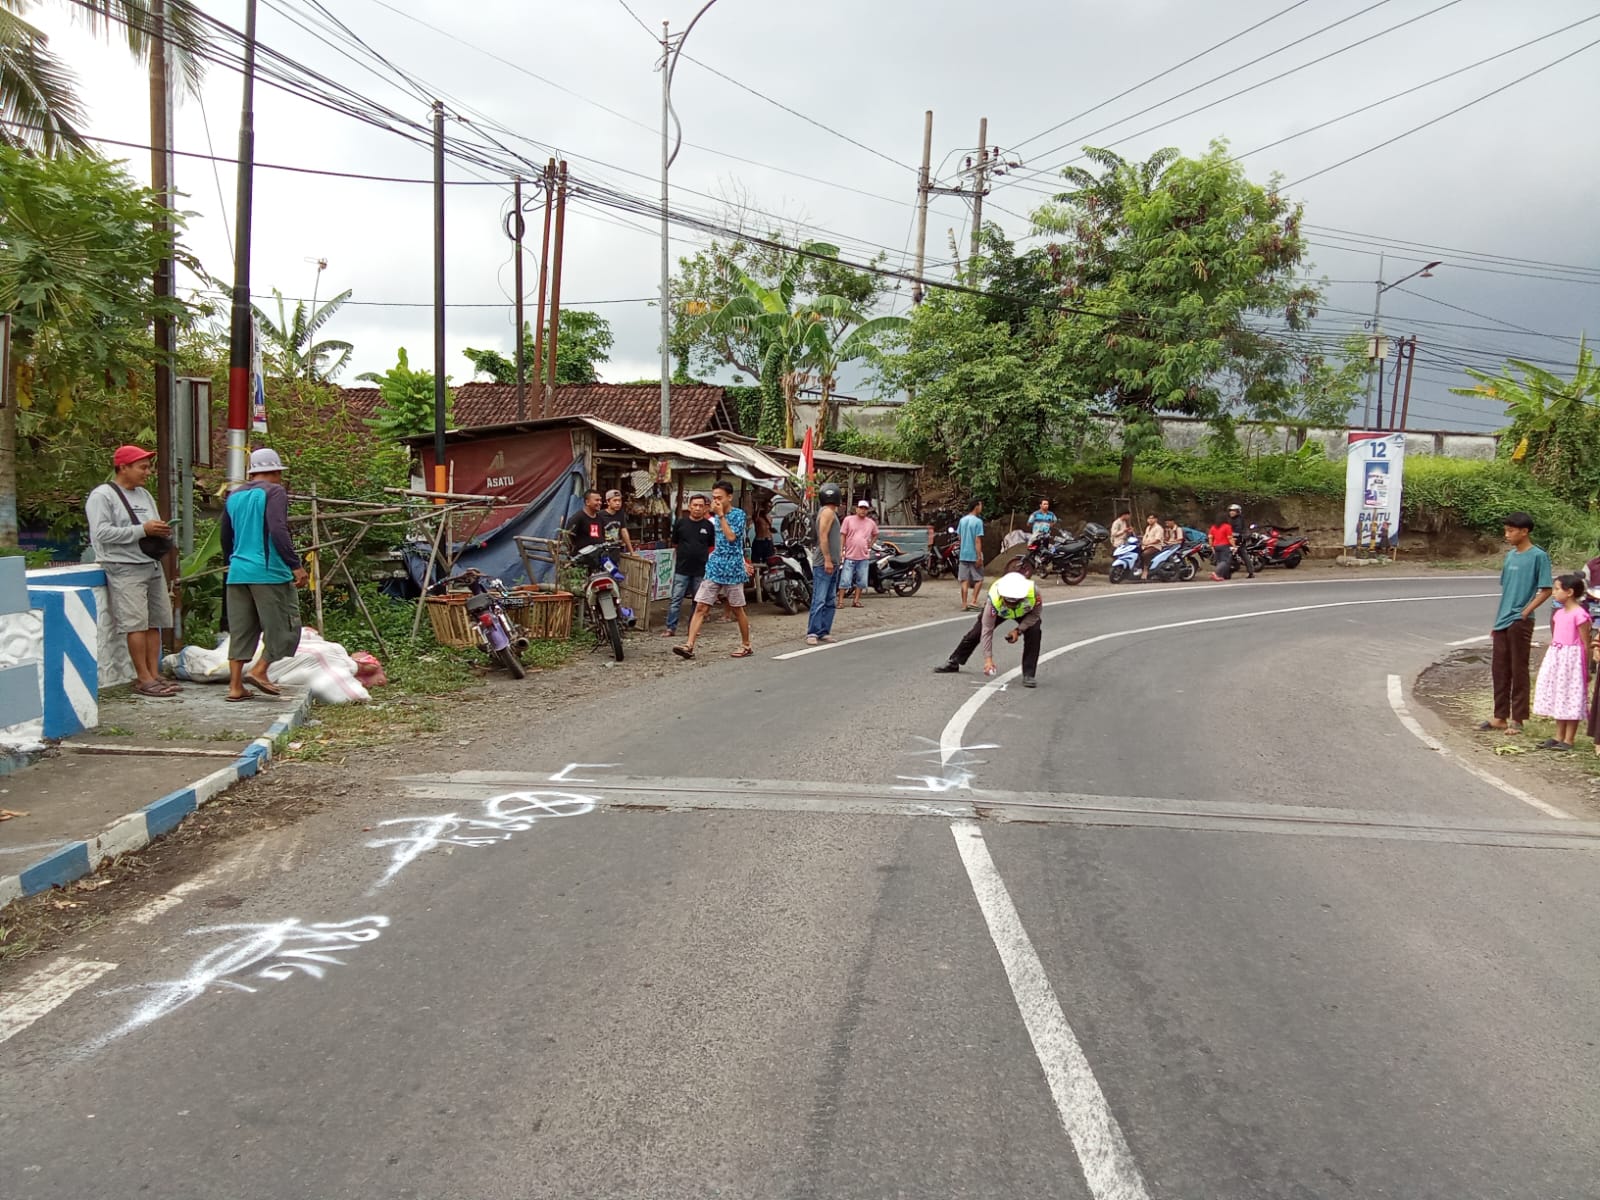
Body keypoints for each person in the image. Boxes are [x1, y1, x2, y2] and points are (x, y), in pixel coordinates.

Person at [85, 445, 178, 698]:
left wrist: (159, 531)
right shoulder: (103, 496)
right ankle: (143, 677)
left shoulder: (145, 495)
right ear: (123, 467)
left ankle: (155, 672)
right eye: (142, 467)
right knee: (135, 623)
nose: (147, 472)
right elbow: (101, 533)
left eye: (148, 467)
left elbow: (151, 525)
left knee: (155, 621)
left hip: (150, 563)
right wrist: (142, 530)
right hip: (124, 566)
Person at [221, 449, 307, 703]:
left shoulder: (234, 495)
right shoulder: (275, 492)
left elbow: (226, 536)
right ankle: (260, 671)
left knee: (242, 630)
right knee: (285, 626)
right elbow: (278, 530)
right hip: (269, 572)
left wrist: (232, 563)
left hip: (238, 573)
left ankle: (235, 687)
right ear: (277, 472)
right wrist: (295, 565)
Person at [1479, 511, 1553, 735]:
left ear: (1524, 531)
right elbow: (1507, 591)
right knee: (1499, 669)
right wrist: (1497, 621)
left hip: (1521, 621)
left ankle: (1518, 719)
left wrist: (1526, 611)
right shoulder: (1510, 556)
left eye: (1511, 530)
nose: (1507, 534)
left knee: (1518, 668)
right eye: (1506, 530)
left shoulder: (1538, 556)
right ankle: (1499, 716)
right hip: (1502, 620)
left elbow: (1546, 589)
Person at [673, 480, 753, 660]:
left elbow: (732, 538)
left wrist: (722, 516)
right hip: (715, 566)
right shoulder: (712, 518)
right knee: (701, 605)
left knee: (737, 608)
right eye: (714, 497)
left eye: (720, 498)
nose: (716, 501)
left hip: (732, 567)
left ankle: (746, 644)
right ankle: (689, 645)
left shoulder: (738, 515)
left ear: (729, 497)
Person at [933, 571, 1042, 688]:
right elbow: (987, 630)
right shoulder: (994, 599)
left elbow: (1035, 616)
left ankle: (1029, 674)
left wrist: (1018, 630)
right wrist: (988, 660)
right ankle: (954, 661)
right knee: (977, 632)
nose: (1010, 605)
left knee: (1034, 631)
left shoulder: (1034, 593)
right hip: (998, 610)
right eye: (1008, 601)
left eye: (1014, 602)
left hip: (1025, 612)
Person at [1533, 573, 1592, 751]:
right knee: (1559, 695)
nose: (1554, 592)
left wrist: (1586, 668)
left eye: (1557, 589)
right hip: (1557, 657)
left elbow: (1585, 643)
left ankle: (1569, 739)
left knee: (1571, 696)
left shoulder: (1580, 615)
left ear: (1569, 592)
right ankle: (1558, 736)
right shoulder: (1559, 614)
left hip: (1572, 660)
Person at [661, 493, 715, 638]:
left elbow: (710, 545)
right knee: (676, 599)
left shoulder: (709, 526)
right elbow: (675, 542)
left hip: (700, 569)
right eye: (695, 505)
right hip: (682, 569)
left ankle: (693, 628)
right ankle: (670, 628)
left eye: (700, 506)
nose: (697, 508)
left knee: (697, 601)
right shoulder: (680, 523)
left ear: (705, 508)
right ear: (689, 507)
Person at [805, 483, 843, 646]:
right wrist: (827, 558)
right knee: (820, 599)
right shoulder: (827, 512)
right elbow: (823, 536)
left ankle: (823, 631)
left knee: (830, 599)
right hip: (824, 562)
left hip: (833, 562)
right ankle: (813, 632)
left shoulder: (829, 512)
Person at [838, 499, 878, 610]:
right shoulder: (848, 520)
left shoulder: (870, 523)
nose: (863, 511)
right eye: (861, 508)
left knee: (861, 581)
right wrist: (841, 550)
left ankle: (856, 600)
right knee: (845, 580)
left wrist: (870, 544)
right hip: (850, 555)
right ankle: (840, 601)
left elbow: (876, 534)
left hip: (863, 557)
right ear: (857, 509)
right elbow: (843, 535)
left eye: (865, 509)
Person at [957, 499, 986, 611]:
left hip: (963, 554)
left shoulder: (962, 520)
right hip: (973, 554)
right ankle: (973, 600)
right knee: (979, 579)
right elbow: (977, 540)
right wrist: (979, 556)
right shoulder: (978, 522)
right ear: (976, 507)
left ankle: (964, 604)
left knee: (964, 580)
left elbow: (959, 537)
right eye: (980, 505)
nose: (981, 508)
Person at [564, 490, 606, 556]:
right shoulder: (578, 518)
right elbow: (568, 535)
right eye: (597, 500)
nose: (600, 503)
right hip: (582, 558)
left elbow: (602, 535)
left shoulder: (600, 518)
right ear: (587, 502)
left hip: (597, 557)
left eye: (600, 500)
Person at [599, 489, 634, 553]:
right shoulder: (600, 515)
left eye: (619, 500)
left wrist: (631, 551)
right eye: (615, 500)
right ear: (608, 502)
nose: (618, 503)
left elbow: (623, 531)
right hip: (603, 550)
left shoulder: (620, 514)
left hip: (616, 550)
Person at [1226, 502, 1255, 578]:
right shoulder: (1231, 519)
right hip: (1232, 540)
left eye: (1233, 511)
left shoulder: (1238, 520)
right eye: (1230, 511)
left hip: (1239, 540)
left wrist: (1232, 537)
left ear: (1238, 512)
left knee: (1243, 555)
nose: (1231, 512)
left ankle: (1251, 572)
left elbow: (1237, 531)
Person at [1208, 510, 1235, 582]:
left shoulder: (1213, 527)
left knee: (1219, 561)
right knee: (1225, 561)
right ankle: (1215, 573)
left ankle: (1219, 575)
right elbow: (1230, 538)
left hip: (1216, 545)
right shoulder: (1227, 526)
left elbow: (1210, 537)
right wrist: (1234, 546)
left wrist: (1211, 546)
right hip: (1224, 545)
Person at [1139, 514, 1165, 581]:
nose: (1150, 520)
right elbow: (1145, 537)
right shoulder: (1148, 527)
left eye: (1152, 518)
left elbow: (1157, 540)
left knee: (1145, 554)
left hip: (1155, 546)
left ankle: (1145, 570)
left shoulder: (1158, 528)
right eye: (1149, 518)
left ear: (1156, 519)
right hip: (1145, 545)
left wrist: (1148, 543)